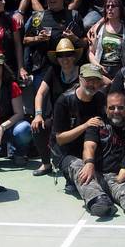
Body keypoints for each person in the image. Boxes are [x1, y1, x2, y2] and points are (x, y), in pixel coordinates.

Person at [73, 90, 125, 222]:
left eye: (120, 108)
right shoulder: (97, 124)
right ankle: (99, 202)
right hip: (95, 174)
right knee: (79, 169)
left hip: (120, 177)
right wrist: (89, 163)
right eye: (111, 108)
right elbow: (89, 146)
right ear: (105, 109)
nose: (116, 111)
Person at [52, 64, 108, 195]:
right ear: (80, 79)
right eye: (89, 80)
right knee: (83, 174)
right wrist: (85, 126)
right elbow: (60, 139)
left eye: (96, 80)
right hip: (67, 152)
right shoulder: (64, 101)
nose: (92, 84)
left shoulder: (101, 98)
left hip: (92, 149)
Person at [22, 0, 86, 94]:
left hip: (67, 67)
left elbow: (85, 42)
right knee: (41, 100)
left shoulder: (73, 15)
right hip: (43, 68)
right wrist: (37, 38)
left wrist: (74, 38)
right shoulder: (38, 16)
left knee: (67, 101)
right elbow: (24, 40)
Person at [32, 38, 83, 176]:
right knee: (38, 127)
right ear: (57, 58)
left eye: (68, 54)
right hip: (58, 120)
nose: (65, 59)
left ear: (74, 56)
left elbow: (106, 82)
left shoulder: (83, 71)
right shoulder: (53, 71)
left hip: (79, 120)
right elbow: (40, 93)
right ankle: (46, 163)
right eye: (61, 55)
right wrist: (38, 114)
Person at [89, 0, 125, 78]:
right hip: (101, 71)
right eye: (107, 6)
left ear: (120, 9)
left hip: (121, 72)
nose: (110, 8)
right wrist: (97, 66)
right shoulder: (98, 27)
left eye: (113, 6)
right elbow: (91, 53)